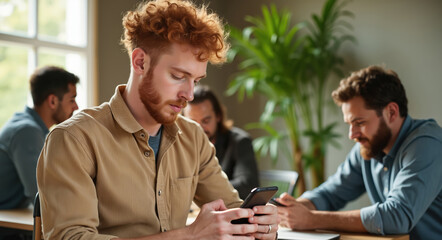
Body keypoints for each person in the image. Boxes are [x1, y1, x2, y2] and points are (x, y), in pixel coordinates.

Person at [36, 0, 278, 239]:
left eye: (196, 80)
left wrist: (260, 224)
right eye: (178, 76)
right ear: (140, 62)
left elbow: (232, 209)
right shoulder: (73, 139)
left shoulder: (194, 137)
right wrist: (190, 235)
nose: (189, 94)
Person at [274, 66, 442, 240]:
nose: (352, 134)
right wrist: (293, 208)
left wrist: (311, 220)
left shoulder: (427, 144)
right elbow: (330, 194)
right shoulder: (369, 148)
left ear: (391, 112)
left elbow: (397, 216)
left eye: (359, 122)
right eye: (349, 124)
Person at [0, 66, 79, 210]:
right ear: (53, 101)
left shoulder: (33, 129)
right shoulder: (26, 132)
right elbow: (41, 195)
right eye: (72, 99)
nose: (76, 107)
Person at [182, 85, 259, 199]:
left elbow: (247, 185)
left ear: (218, 116)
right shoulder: (180, 144)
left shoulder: (240, 142)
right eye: (193, 122)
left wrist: (201, 191)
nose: (199, 128)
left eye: (206, 121)